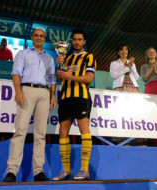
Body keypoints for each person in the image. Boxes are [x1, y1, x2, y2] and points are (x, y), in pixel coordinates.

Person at [3, 28, 57, 182]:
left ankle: (38, 172)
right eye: (36, 35)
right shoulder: (23, 53)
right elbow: (16, 73)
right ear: (32, 37)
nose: (39, 38)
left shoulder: (50, 58)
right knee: (20, 131)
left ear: (44, 38)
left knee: (40, 134)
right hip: (27, 90)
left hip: (44, 94)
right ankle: (11, 172)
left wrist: (53, 96)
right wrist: (18, 91)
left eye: (41, 36)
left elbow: (52, 79)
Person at [52, 29, 96, 181]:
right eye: (75, 39)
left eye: (80, 39)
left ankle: (84, 169)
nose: (77, 42)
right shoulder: (67, 58)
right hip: (65, 97)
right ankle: (66, 171)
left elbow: (89, 78)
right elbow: (59, 77)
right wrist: (60, 66)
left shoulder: (89, 56)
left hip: (81, 97)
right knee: (63, 131)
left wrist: (71, 76)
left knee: (84, 130)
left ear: (84, 42)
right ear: (72, 42)